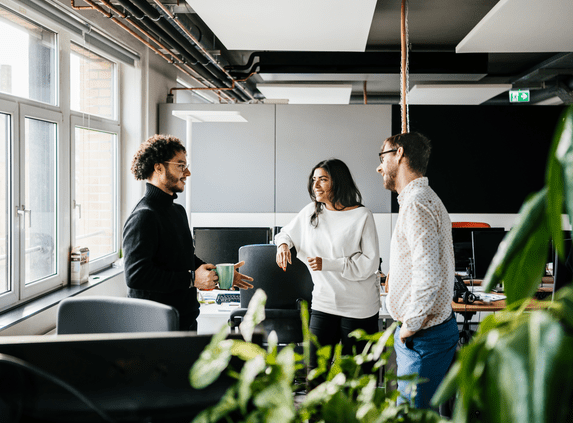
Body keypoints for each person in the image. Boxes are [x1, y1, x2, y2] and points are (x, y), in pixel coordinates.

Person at [122, 134, 253, 331]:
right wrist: (192, 279)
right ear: (158, 167)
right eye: (181, 166)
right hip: (155, 326)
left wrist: (217, 275)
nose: (187, 172)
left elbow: (182, 258)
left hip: (185, 320)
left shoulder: (177, 211)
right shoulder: (144, 216)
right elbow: (136, 276)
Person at [275, 158, 381, 382]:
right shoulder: (311, 212)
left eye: (323, 179)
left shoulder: (362, 216)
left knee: (358, 378)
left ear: (338, 182)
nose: (316, 185)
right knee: (314, 374)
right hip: (324, 303)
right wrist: (283, 245)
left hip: (359, 307)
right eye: (314, 180)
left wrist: (329, 263)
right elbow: (285, 232)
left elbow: (369, 264)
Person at [376, 132, 459, 409]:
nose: (379, 167)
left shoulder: (417, 203)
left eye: (382, 157)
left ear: (399, 154)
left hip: (422, 337)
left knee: (411, 416)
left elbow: (428, 275)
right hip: (427, 334)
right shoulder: (421, 199)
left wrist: (409, 326)